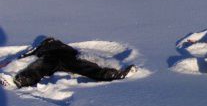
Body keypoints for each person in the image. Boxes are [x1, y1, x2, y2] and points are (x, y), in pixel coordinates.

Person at [6, 37, 136, 88]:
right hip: (57, 59)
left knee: (75, 63)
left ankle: (110, 74)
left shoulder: (57, 52)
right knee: (71, 63)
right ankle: (110, 74)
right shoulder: (45, 53)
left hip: (62, 58)